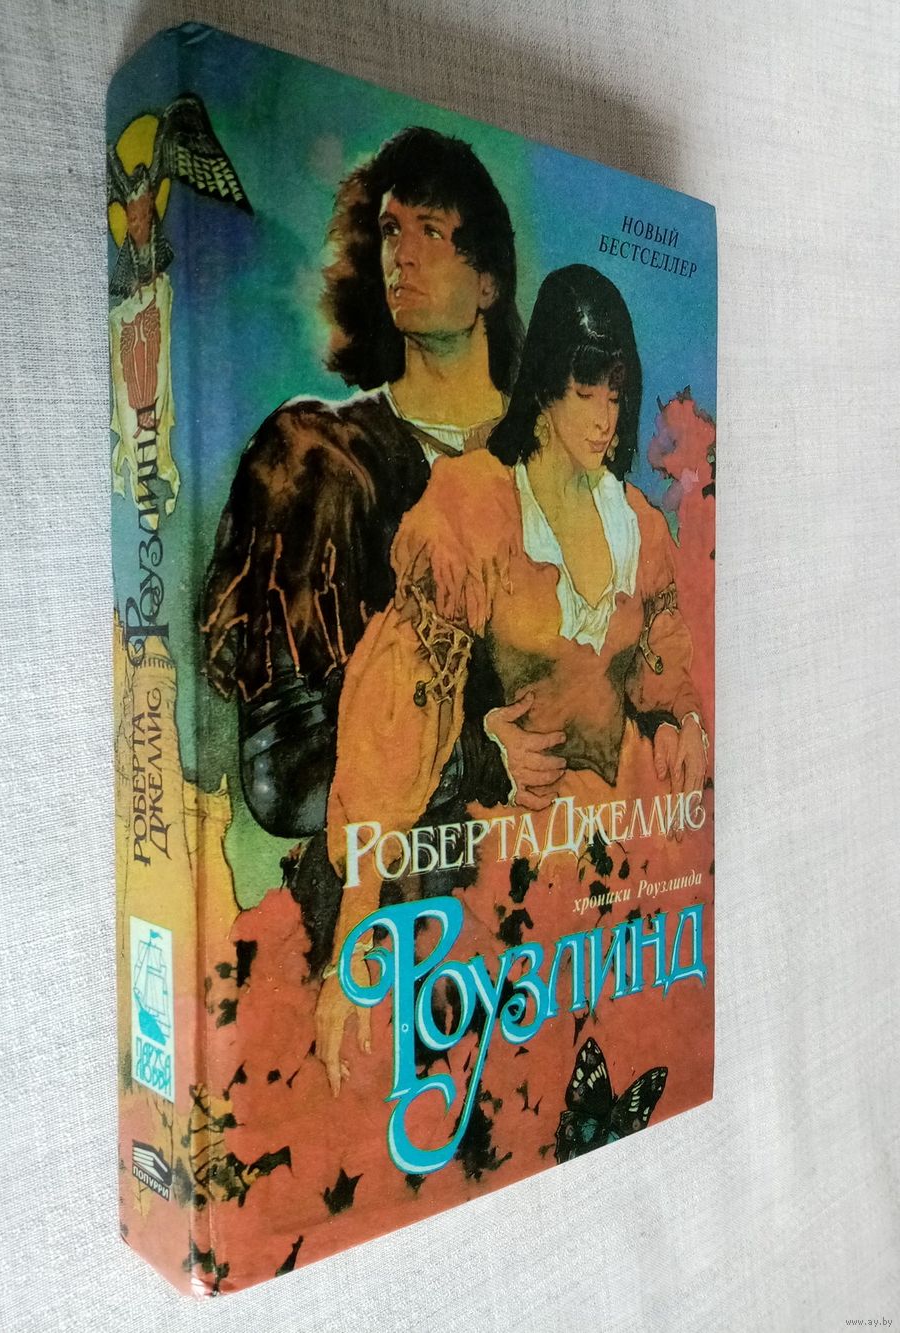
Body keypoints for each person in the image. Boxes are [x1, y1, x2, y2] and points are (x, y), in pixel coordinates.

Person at [316, 264, 709, 1090]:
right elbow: (395, 708)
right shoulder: (474, 506)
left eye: (616, 393)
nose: (605, 416)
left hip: (625, 852)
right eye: (585, 389)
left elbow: (660, 655)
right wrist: (357, 920)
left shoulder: (639, 524)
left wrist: (678, 719)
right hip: (507, 859)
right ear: (544, 384)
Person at [200, 127, 552, 970]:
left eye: (433, 231)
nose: (404, 254)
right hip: (384, 938)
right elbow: (285, 777)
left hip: (556, 921)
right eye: (392, 230)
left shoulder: (561, 460)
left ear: (488, 280)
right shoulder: (317, 461)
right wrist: (475, 757)